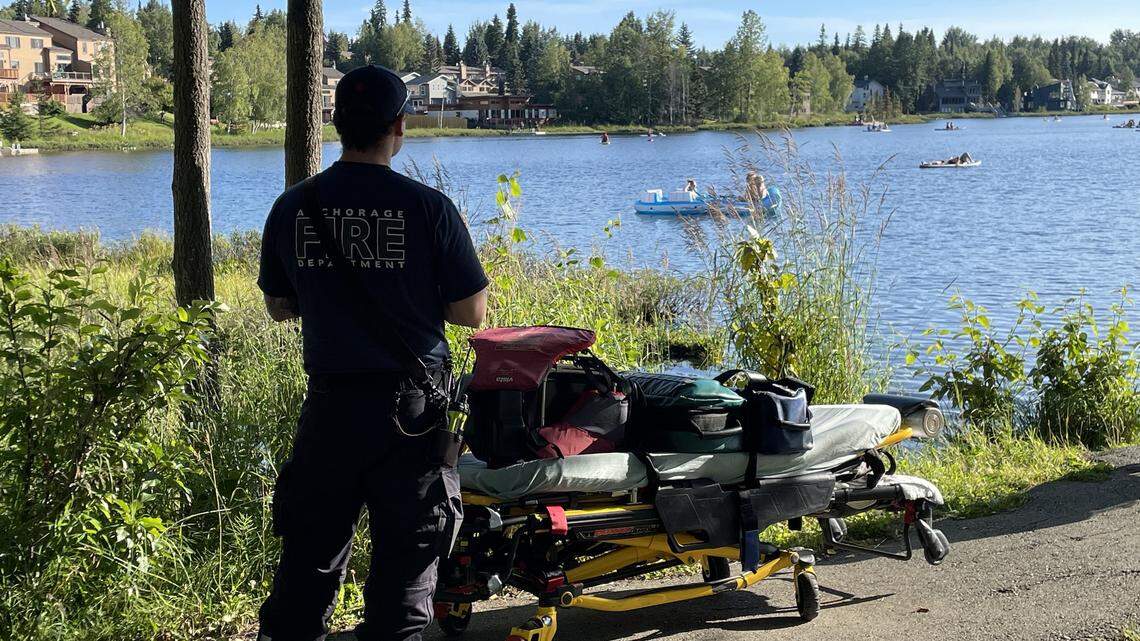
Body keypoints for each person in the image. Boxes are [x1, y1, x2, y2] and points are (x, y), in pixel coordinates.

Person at [256, 65, 489, 641]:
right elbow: (469, 314)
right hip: (412, 416)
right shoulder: (429, 208)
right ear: (398, 126)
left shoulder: (294, 206)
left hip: (331, 408)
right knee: (406, 585)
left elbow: (280, 306)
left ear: (337, 125)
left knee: (305, 572)